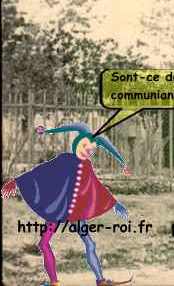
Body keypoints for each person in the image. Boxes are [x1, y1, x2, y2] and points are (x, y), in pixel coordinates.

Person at [2, 122, 132, 286]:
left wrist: (114, 203)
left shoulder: (87, 166)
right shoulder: (65, 159)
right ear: (77, 143)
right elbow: (42, 171)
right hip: (58, 210)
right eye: (85, 145)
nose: (87, 150)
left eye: (91, 149)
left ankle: (100, 280)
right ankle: (54, 282)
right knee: (44, 243)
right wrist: (17, 181)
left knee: (89, 244)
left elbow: (96, 185)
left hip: (76, 213)